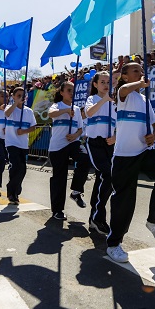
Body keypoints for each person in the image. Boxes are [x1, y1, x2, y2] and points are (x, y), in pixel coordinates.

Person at [106, 62, 155, 264]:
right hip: (123, 157)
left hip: (144, 153)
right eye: (135, 70)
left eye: (141, 70)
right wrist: (140, 83)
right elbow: (125, 89)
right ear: (126, 76)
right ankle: (114, 244)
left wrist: (154, 135)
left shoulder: (145, 100)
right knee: (124, 204)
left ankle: (154, 221)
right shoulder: (124, 93)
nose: (140, 73)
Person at [47, 81, 91, 220]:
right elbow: (51, 114)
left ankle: (76, 191)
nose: (71, 93)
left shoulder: (77, 109)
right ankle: (57, 210)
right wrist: (66, 111)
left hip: (73, 143)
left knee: (85, 159)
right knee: (59, 178)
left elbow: (80, 128)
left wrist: (75, 136)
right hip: (57, 146)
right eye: (68, 90)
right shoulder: (57, 106)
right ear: (61, 93)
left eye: (73, 91)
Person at [84, 71, 117, 236]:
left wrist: (115, 137)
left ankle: (95, 219)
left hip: (109, 144)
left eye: (108, 82)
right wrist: (104, 99)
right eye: (102, 82)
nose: (106, 85)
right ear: (95, 84)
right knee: (107, 174)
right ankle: (97, 218)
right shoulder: (92, 99)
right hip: (95, 143)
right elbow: (89, 113)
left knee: (103, 180)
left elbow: (119, 123)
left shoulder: (114, 103)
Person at [4, 87, 37, 204]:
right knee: (15, 166)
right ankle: (12, 193)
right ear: (13, 96)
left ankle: (16, 190)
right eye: (18, 95)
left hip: (23, 144)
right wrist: (16, 103)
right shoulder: (10, 108)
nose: (21, 97)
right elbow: (7, 114)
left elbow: (33, 126)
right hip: (12, 143)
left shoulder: (29, 111)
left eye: (23, 95)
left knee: (22, 169)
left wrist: (23, 131)